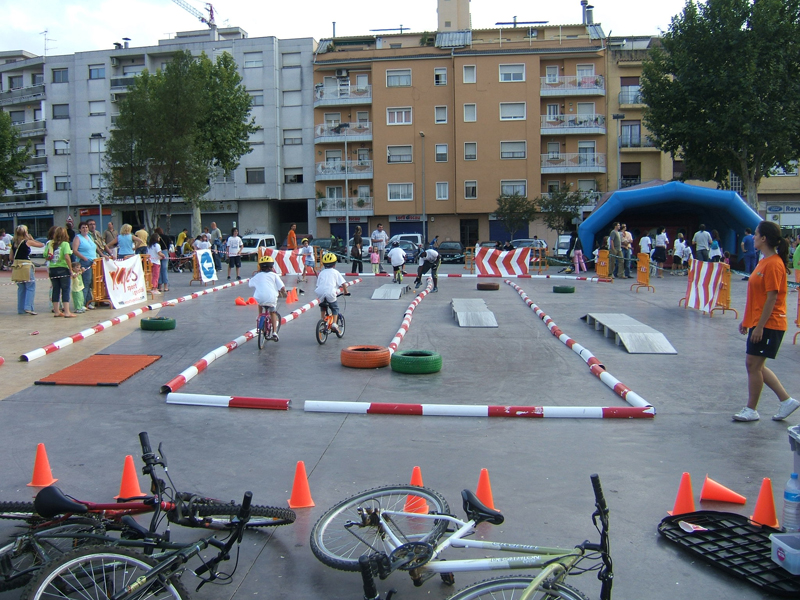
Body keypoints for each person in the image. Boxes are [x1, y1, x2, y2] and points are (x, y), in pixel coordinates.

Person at [733, 220, 800, 422]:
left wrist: (760, 326)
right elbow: (756, 296)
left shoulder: (774, 264)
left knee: (753, 364)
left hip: (770, 323)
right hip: (759, 322)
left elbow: (772, 297)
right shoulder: (764, 262)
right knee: (756, 365)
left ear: (764, 238)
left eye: (755, 234)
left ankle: (751, 409)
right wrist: (747, 321)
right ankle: (786, 401)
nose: (753, 237)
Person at [249, 255, 286, 341]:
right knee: (272, 312)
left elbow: (250, 284)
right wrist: (284, 292)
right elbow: (282, 287)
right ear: (271, 266)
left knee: (260, 302)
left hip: (260, 297)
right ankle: (275, 332)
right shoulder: (274, 275)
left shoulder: (257, 275)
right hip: (271, 298)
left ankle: (259, 315)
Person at [12, 225, 43, 315]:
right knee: (30, 286)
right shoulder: (27, 242)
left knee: (21, 288)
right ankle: (28, 307)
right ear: (26, 232)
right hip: (25, 266)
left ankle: (21, 309)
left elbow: (11, 257)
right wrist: (32, 239)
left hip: (17, 266)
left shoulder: (14, 243)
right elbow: (41, 245)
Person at [46, 226, 76, 317]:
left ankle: (56, 311)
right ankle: (67, 312)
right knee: (65, 290)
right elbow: (67, 257)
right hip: (63, 269)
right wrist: (71, 269)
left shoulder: (50, 244)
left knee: (56, 289)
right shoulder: (65, 244)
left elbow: (46, 256)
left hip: (52, 269)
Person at [315, 252, 346, 333]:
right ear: (334, 265)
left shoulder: (321, 273)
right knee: (335, 308)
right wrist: (346, 292)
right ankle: (334, 324)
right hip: (330, 292)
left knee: (323, 306)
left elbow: (318, 284)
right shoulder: (335, 272)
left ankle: (322, 321)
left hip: (320, 292)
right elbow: (343, 284)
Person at [71, 221, 97, 309]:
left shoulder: (89, 237)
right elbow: (74, 250)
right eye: (83, 227)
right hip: (84, 262)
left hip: (93, 261)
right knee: (85, 282)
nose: (85, 229)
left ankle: (88, 301)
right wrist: (84, 257)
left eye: (86, 227)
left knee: (91, 283)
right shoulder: (78, 238)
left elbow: (95, 248)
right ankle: (82, 303)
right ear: (80, 229)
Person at [153, 227, 170, 292]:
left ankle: (160, 286)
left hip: (157, 253)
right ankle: (166, 286)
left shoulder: (155, 238)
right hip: (165, 252)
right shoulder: (166, 236)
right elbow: (168, 245)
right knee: (164, 269)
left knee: (158, 269)